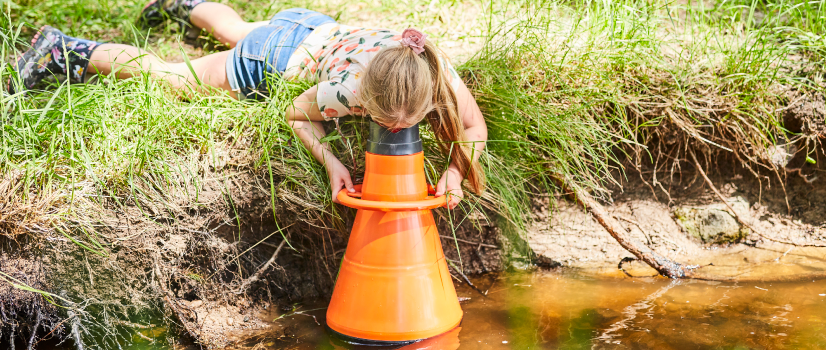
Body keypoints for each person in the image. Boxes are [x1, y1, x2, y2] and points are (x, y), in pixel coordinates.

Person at [8, 0, 487, 209]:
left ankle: (182, 3)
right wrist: (330, 160)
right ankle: (64, 48)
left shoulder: (431, 67)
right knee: (176, 76)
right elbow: (293, 112)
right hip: (275, 56)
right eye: (386, 121)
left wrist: (455, 171)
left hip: (309, 27)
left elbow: (473, 125)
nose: (399, 128)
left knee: (236, 29)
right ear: (365, 100)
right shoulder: (346, 91)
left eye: (410, 121)